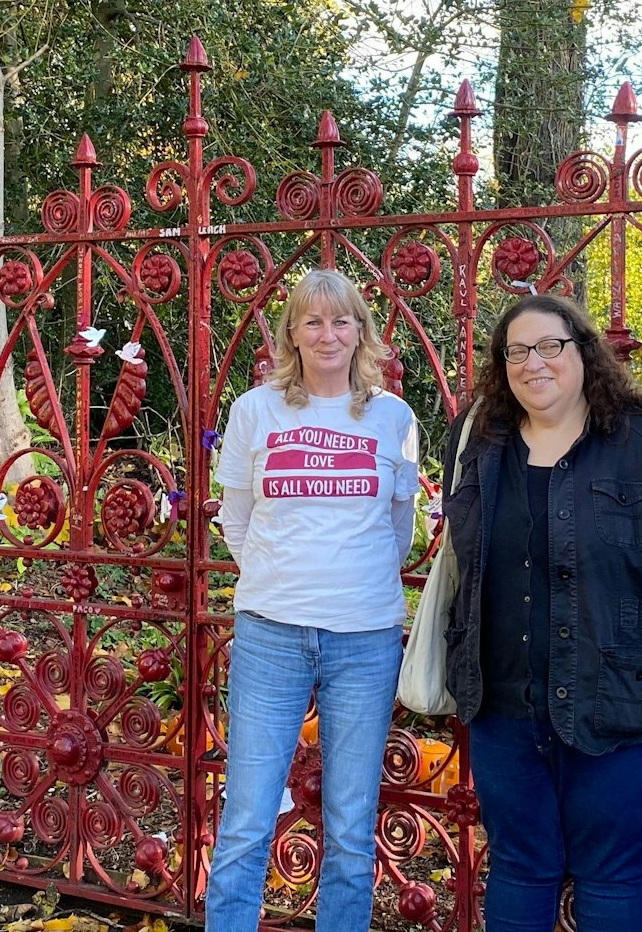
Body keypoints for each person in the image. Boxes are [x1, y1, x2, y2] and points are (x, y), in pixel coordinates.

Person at [440, 293, 642, 932]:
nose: (533, 363)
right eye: (516, 351)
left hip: (618, 700)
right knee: (520, 866)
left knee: (610, 872)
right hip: (502, 703)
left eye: (550, 346)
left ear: (583, 353)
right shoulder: (482, 447)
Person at [206, 268, 421, 932]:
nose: (328, 334)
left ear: (361, 331)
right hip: (272, 634)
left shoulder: (395, 418)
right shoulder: (255, 411)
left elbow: (400, 525)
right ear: (292, 334)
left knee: (352, 827)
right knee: (246, 817)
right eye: (313, 321)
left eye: (341, 320)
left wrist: (347, 582)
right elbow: (235, 519)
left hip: (365, 640)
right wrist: (281, 577)